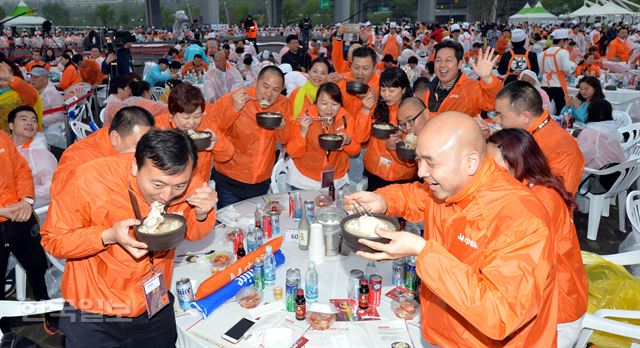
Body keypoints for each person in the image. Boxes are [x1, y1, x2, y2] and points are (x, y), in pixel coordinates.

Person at [344, 112, 558, 347]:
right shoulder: (448, 186)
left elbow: (500, 314)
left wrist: (423, 252)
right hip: (444, 331)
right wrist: (384, 201)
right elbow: (416, 195)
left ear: (470, 162)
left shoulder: (521, 218)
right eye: (418, 160)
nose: (421, 172)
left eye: (430, 162)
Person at [41, 130, 218, 348]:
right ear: (135, 166)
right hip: (94, 310)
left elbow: (193, 232)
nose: (167, 195)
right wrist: (106, 236)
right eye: (158, 185)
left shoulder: (187, 179)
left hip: (153, 303)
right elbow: (53, 239)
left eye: (179, 186)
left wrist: (202, 214)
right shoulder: (88, 180)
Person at [487, 128, 588, 348]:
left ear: (518, 163)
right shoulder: (524, 188)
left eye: (494, 165)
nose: (486, 171)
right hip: (544, 301)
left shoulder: (539, 201)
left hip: (555, 314)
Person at [211, 66, 292, 208]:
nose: (269, 94)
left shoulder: (283, 104)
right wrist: (234, 108)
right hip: (230, 180)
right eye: (265, 86)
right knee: (229, 227)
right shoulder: (236, 97)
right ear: (256, 81)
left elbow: (285, 140)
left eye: (275, 90)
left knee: (257, 224)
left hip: (261, 181)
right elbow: (214, 129)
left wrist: (282, 127)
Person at [0, 122, 52, 334]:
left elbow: (21, 168)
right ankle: (4, 330)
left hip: (19, 215)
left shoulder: (2, 137)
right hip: (5, 215)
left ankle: (49, 313)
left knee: (38, 267)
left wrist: (26, 200)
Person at [494, 81, 585, 194]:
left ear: (525, 117)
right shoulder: (528, 131)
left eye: (500, 115)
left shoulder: (563, 149)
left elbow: (555, 200)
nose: (496, 120)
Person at [50, 106, 154, 196]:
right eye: (138, 148)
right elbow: (60, 193)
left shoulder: (124, 138)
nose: (143, 153)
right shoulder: (79, 155)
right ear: (115, 138)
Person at [286, 82, 364, 189]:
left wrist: (347, 141)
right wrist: (303, 132)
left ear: (340, 104)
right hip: (305, 177)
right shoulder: (305, 118)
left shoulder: (345, 118)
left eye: (334, 104)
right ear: (316, 102)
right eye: (324, 103)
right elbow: (293, 152)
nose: (329, 109)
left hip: (335, 177)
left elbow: (356, 151)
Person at [155, 83, 233, 181]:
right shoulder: (158, 126)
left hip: (199, 186)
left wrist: (216, 142)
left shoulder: (206, 124)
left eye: (197, 116)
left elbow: (227, 155)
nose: (192, 122)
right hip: (168, 187)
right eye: (186, 117)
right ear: (172, 113)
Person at [363, 68, 417, 191]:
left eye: (391, 90)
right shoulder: (376, 107)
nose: (386, 94)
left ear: (403, 90)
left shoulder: (411, 113)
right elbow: (361, 137)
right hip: (374, 170)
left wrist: (394, 149)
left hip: (400, 176)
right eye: (383, 90)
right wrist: (364, 110)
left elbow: (412, 157)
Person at [424, 40, 501, 118]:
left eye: (448, 60)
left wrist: (487, 78)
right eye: (438, 60)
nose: (442, 65)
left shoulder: (472, 88)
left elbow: (496, 103)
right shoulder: (427, 88)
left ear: (460, 64)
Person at [8, 105, 57, 209]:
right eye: (24, 119)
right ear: (11, 125)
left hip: (23, 209)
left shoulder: (40, 154)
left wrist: (20, 196)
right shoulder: (4, 146)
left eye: (34, 120)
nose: (30, 123)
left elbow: (50, 187)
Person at [336, 47, 380, 143]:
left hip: (369, 143)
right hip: (344, 138)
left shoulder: (382, 87)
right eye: (356, 67)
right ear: (350, 65)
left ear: (375, 67)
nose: (360, 73)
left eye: (365, 68)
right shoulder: (343, 80)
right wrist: (326, 83)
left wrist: (376, 101)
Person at [576, 99, 625, 169]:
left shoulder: (589, 132)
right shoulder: (611, 128)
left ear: (590, 113)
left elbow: (579, 157)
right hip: (619, 171)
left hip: (599, 175)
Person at [0, 60, 43, 133]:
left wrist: (10, 78)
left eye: (4, 78)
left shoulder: (21, 93)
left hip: (22, 138)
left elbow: (33, 96)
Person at [540, 28, 574, 112]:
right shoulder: (563, 52)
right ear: (562, 41)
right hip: (558, 85)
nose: (566, 44)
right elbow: (567, 70)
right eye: (566, 42)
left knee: (543, 109)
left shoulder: (542, 53)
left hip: (544, 84)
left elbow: (541, 70)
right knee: (561, 109)